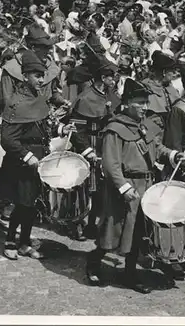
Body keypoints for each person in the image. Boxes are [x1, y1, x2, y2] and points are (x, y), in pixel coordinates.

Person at [85, 78, 185, 294]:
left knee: (137, 232)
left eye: (146, 103)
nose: (144, 107)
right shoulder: (114, 129)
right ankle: (94, 262)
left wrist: (173, 154)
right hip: (124, 187)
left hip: (146, 185)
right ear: (126, 103)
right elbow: (110, 163)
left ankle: (130, 274)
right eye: (140, 103)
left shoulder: (142, 127)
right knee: (113, 231)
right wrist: (123, 187)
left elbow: (157, 147)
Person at [0, 50, 76, 260]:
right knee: (22, 203)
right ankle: (10, 240)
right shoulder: (16, 102)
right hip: (22, 161)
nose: (41, 79)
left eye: (42, 75)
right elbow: (7, 139)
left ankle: (24, 242)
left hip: (40, 157)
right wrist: (27, 156)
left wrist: (62, 130)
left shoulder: (39, 98)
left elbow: (45, 126)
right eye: (36, 75)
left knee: (32, 205)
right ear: (25, 76)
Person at [62, 53, 119, 240]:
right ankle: (76, 223)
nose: (114, 79)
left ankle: (93, 224)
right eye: (111, 76)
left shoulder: (110, 94)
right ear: (103, 78)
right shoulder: (86, 98)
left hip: (105, 146)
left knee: (100, 189)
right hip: (89, 146)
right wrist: (87, 151)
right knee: (84, 188)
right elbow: (77, 129)